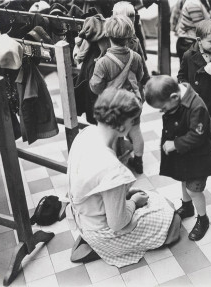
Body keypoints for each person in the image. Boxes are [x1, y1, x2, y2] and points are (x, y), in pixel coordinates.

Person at [66, 88, 179, 267]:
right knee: (172, 220)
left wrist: (123, 195)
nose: (134, 125)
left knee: (152, 200)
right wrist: (132, 201)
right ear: (121, 127)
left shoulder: (85, 134)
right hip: (101, 231)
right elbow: (117, 223)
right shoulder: (113, 169)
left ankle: (90, 242)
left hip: (83, 215)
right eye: (132, 121)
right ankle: (102, 249)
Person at [145, 75, 211, 241]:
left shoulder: (196, 106)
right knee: (183, 179)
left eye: (163, 108)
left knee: (193, 189)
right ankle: (187, 208)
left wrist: (175, 144)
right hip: (184, 155)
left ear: (174, 97)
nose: (163, 111)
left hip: (198, 157)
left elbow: (197, 136)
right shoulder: (176, 100)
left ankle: (203, 219)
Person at [90, 14, 145, 174]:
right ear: (129, 36)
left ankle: (114, 164)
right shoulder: (135, 57)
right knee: (136, 132)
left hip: (112, 104)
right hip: (132, 102)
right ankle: (139, 161)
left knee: (112, 132)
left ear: (107, 35)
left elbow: (95, 86)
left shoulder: (103, 62)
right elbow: (140, 77)